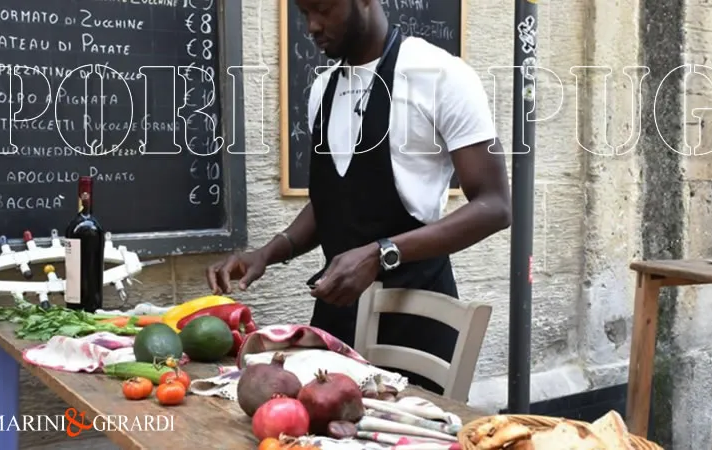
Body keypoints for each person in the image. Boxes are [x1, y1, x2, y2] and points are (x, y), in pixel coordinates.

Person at [206, 0, 510, 394]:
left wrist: (380, 252)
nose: (312, 26)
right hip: (337, 322)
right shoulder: (322, 90)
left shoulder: (439, 75)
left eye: (323, 9)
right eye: (303, 13)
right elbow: (335, 202)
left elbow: (495, 206)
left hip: (415, 321)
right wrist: (267, 253)